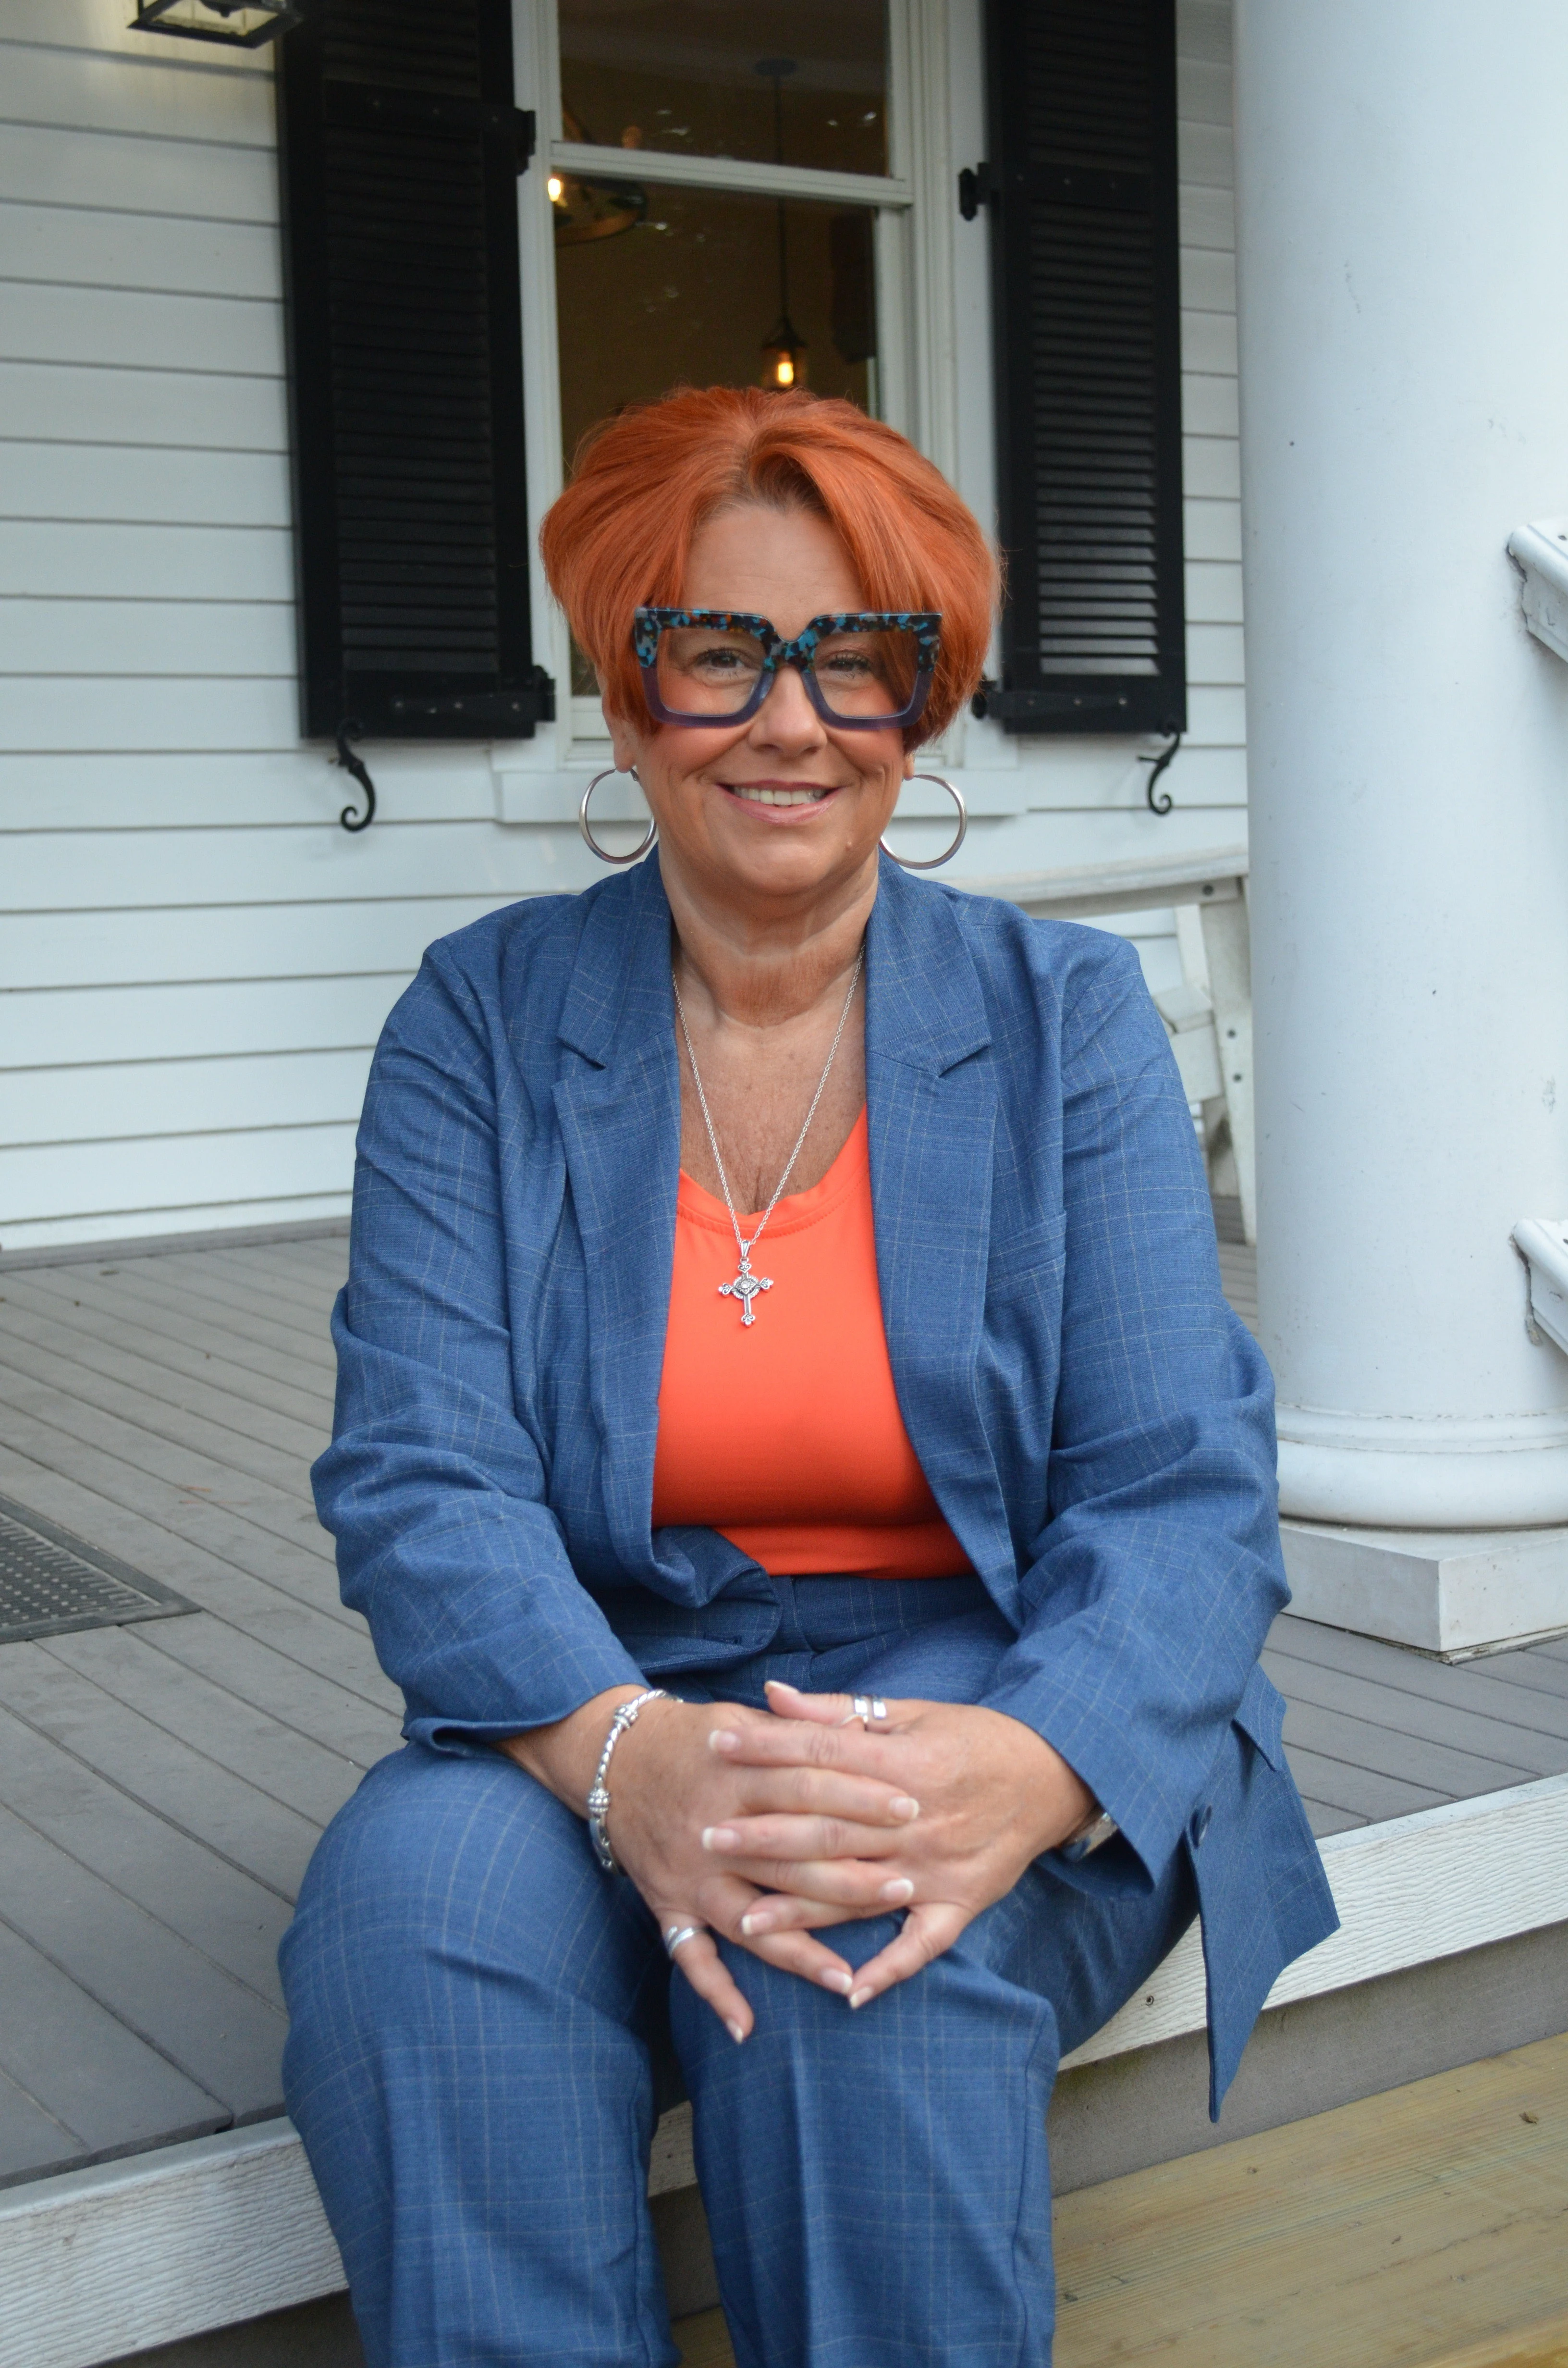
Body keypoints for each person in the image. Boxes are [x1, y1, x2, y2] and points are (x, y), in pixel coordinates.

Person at [281, 385, 1336, 2368]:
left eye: (860, 658)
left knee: (858, 1953)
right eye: (719, 652)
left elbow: (1177, 1486)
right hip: (599, 1684)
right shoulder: (482, 1020)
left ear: (921, 709)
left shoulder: (1065, 1018)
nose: (793, 719)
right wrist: (630, 1755)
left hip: (994, 1670)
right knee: (415, 1933)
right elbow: (422, 1474)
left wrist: (1033, 1764)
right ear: (626, 695)